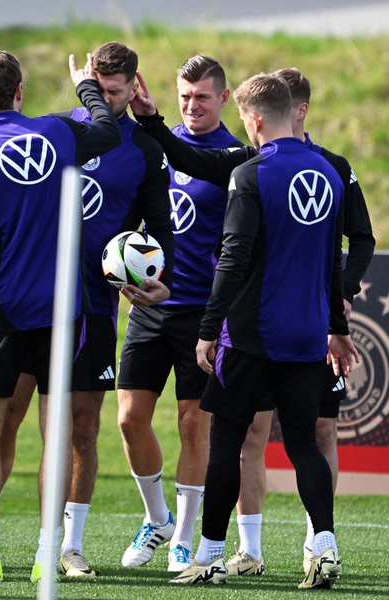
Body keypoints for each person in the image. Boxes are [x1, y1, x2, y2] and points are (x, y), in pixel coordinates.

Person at [130, 67, 374, 580]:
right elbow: (335, 261)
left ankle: (211, 556)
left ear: (255, 118)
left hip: (250, 334)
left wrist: (206, 328)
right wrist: (338, 326)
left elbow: (233, 259)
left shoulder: (252, 172)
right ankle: (324, 547)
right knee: (304, 441)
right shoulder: (329, 173)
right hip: (308, 336)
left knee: (227, 441)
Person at [0, 41, 173, 580]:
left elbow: (159, 231)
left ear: (135, 86)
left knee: (81, 430)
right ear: (92, 82)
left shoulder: (141, 151)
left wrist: (157, 279)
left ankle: (66, 546)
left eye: (120, 90)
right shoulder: (60, 131)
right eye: (104, 88)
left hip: (85, 307)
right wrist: (89, 95)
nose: (112, 98)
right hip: (43, 304)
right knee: (6, 420)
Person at [116, 55, 242, 573]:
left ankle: (184, 539)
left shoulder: (237, 156)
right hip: (150, 307)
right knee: (128, 420)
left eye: (203, 97)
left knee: (194, 425)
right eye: (185, 97)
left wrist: (154, 124)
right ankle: (157, 517)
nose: (192, 106)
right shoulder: (154, 149)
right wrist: (122, 270)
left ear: (224, 98)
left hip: (202, 315)